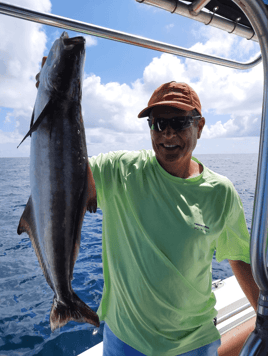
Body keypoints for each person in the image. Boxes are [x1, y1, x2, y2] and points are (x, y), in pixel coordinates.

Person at [36, 67, 259, 355]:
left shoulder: (221, 193)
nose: (167, 132)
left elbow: (239, 257)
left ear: (200, 127)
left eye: (179, 122)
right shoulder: (119, 171)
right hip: (124, 339)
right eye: (157, 123)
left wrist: (263, 316)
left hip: (194, 341)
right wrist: (54, 105)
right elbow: (66, 179)